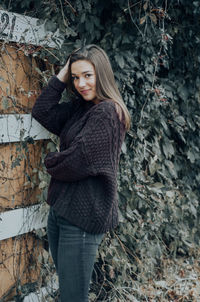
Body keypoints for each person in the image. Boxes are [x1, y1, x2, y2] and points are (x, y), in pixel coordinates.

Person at [32, 44, 131, 302]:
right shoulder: (80, 108)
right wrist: (64, 72)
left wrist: (51, 160)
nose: (81, 83)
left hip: (83, 219)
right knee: (68, 291)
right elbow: (42, 111)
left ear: (102, 74)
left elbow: (77, 161)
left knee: (73, 297)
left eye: (88, 75)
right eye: (75, 77)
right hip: (62, 211)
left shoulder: (108, 113)